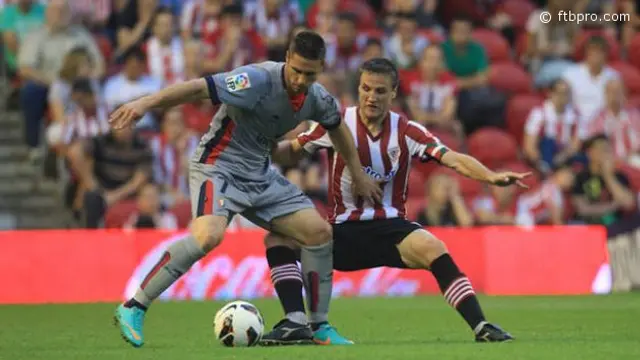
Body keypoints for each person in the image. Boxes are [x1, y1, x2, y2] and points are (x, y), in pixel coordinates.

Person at [110, 30, 382, 348]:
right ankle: (134, 305)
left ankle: (317, 326)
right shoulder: (256, 80)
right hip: (218, 166)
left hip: (260, 174)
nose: (300, 80)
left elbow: (337, 129)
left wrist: (357, 172)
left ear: (321, 67)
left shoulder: (317, 98)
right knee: (208, 236)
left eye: (309, 74)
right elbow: (199, 88)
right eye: (295, 70)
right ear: (287, 60)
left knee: (318, 233)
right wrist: (145, 103)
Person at [260, 58, 524, 346]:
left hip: (391, 229)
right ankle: (295, 324)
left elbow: (453, 159)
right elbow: (290, 153)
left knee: (432, 247)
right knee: (278, 240)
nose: (371, 97)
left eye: (380, 91)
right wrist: (267, 144)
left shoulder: (407, 131)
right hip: (343, 232)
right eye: (366, 89)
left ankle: (481, 326)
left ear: (394, 93)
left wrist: (491, 177)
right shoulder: (335, 124)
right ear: (359, 89)